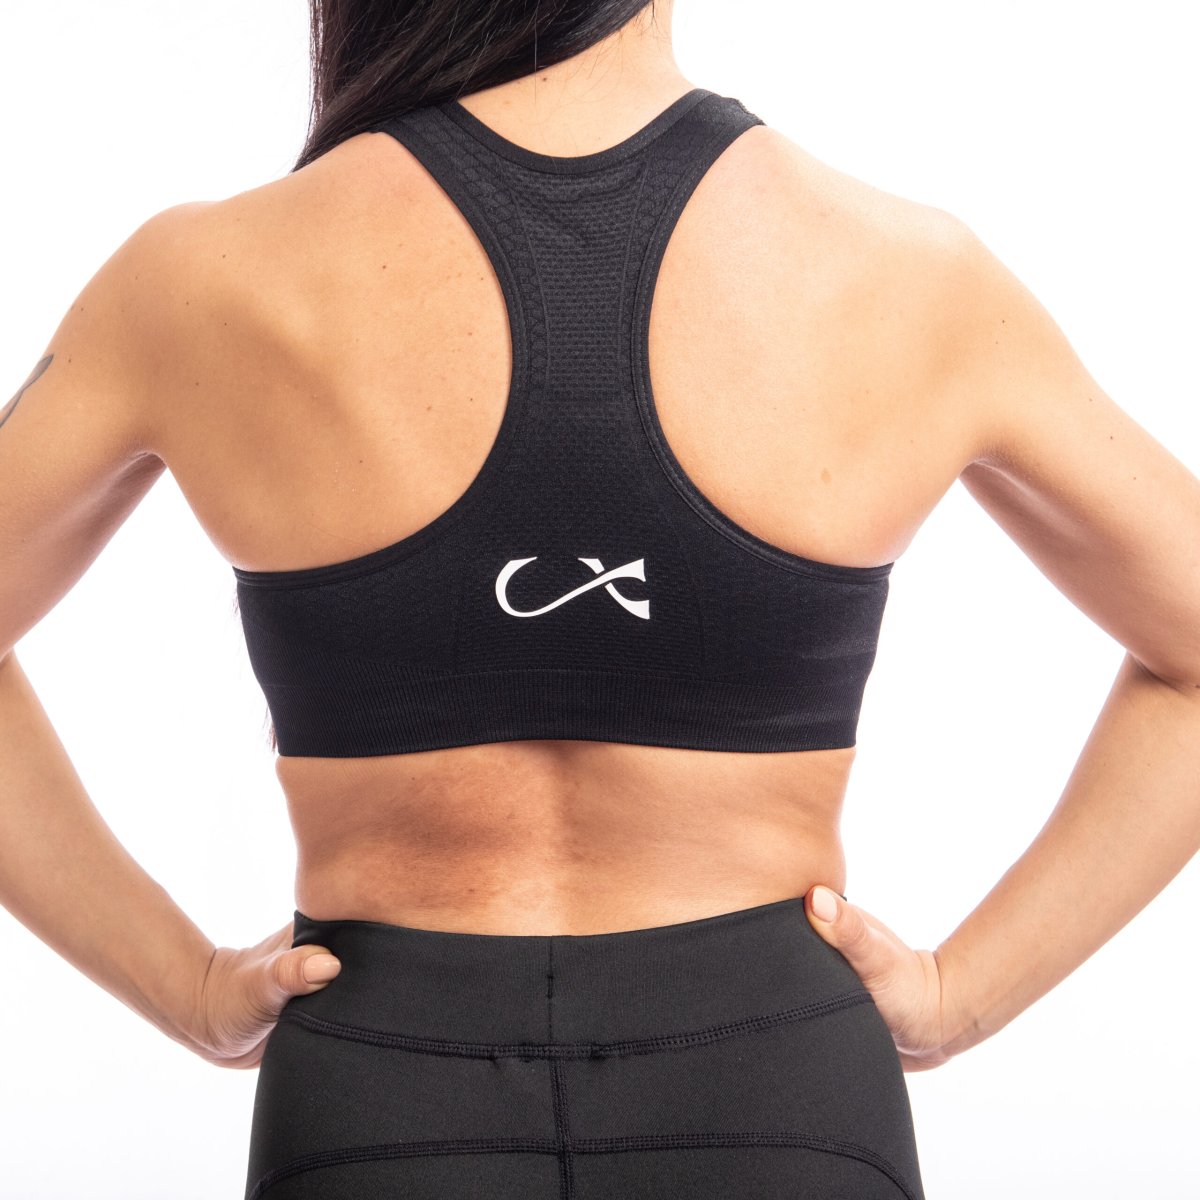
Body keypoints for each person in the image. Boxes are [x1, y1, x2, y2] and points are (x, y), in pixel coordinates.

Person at [2, 0, 1198, 1196]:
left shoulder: (202, 278)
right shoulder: (901, 269)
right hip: (778, 1089)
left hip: (382, 1094)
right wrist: (960, 996)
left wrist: (187, 988)